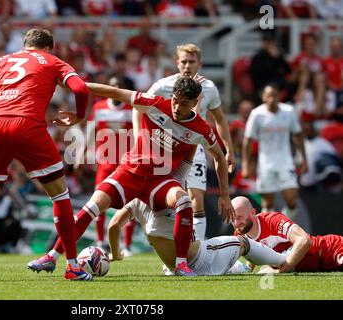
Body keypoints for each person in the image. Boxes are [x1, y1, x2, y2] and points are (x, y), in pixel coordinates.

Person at [27, 76, 235, 276]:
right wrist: (74, 85)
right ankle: (51, 257)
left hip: (159, 179)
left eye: (184, 103)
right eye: (175, 101)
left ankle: (181, 265)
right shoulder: (154, 104)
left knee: (183, 201)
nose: (177, 107)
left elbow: (219, 156)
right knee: (90, 208)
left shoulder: (201, 129)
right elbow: (114, 91)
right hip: (130, 173)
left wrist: (224, 196)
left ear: (195, 102)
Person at [0, 28, 93, 282]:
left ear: (25, 45)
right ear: (49, 47)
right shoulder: (54, 62)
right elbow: (82, 90)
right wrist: (79, 115)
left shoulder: (1, 61)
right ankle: (73, 267)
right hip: (29, 126)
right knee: (60, 195)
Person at [133, 43, 235, 241]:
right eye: (184, 62)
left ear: (200, 63)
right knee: (169, 199)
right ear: (176, 63)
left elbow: (221, 119)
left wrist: (229, 149)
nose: (187, 66)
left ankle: (198, 249)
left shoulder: (209, 88)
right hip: (167, 148)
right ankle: (172, 247)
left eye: (192, 62)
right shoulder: (163, 86)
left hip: (194, 148)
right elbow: (138, 107)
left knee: (196, 198)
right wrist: (140, 137)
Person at [107, 198, 286, 275]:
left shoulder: (137, 200)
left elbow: (114, 225)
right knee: (243, 242)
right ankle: (284, 261)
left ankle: (280, 262)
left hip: (176, 267)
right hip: (201, 259)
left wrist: (115, 254)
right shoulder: (172, 190)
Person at [76, 76, 134, 252]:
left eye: (119, 85)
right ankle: (101, 241)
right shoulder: (99, 108)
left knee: (129, 205)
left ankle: (128, 245)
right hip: (106, 164)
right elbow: (90, 132)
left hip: (126, 164)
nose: (116, 88)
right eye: (113, 85)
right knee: (98, 201)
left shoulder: (131, 108)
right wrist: (80, 153)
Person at [242, 84, 308, 219]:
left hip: (285, 161)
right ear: (263, 98)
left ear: (279, 97)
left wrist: (304, 159)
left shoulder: (289, 112)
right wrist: (245, 165)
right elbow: (247, 141)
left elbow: (297, 135)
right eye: (268, 96)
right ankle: (272, 232)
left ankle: (285, 225)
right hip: (266, 163)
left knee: (291, 200)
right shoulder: (257, 114)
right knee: (267, 203)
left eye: (274, 96)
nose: (271, 99)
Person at [231, 196, 343, 273]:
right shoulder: (240, 233)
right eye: (232, 219)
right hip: (319, 267)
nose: (236, 223)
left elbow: (304, 241)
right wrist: (247, 268)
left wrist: (279, 271)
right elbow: (254, 253)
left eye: (240, 217)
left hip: (329, 250)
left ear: (253, 212)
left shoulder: (272, 221)